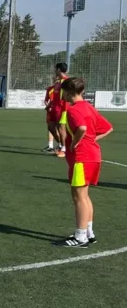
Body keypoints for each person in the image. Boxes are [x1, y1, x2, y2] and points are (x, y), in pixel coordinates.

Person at [55, 77, 112, 248]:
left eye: (63, 91)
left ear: (69, 92)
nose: (61, 94)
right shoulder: (89, 107)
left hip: (82, 158)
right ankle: (88, 232)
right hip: (93, 156)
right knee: (85, 197)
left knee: (78, 197)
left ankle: (80, 237)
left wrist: (75, 142)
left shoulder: (74, 110)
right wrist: (90, 140)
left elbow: (82, 128)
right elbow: (107, 128)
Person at [51, 62, 70, 158]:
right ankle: (62, 146)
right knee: (55, 127)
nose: (55, 71)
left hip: (63, 109)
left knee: (62, 129)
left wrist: (65, 108)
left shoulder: (66, 81)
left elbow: (66, 96)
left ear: (58, 70)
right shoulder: (59, 81)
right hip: (57, 108)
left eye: (55, 69)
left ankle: (64, 149)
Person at [43, 77, 61, 154]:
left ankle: (61, 145)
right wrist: (49, 107)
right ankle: (50, 146)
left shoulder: (62, 89)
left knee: (60, 128)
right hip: (51, 111)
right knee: (51, 127)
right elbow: (46, 100)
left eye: (58, 80)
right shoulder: (50, 89)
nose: (57, 82)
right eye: (56, 80)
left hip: (60, 111)